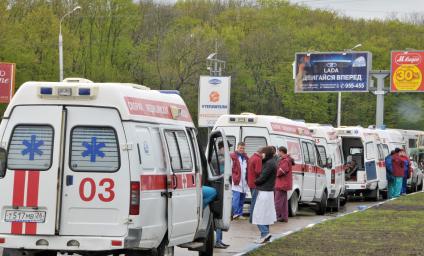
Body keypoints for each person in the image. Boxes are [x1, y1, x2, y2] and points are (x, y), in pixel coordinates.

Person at [252, 146, 277, 244]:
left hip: (264, 191)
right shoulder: (272, 162)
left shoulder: (269, 164)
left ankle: (265, 233)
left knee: (258, 214)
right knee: (265, 215)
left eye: (262, 153)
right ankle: (264, 236)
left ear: (266, 153)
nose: (261, 154)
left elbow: (263, 177)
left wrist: (255, 181)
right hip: (268, 192)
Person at [215, 141, 230, 249]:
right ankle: (217, 240)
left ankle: (220, 240)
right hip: (218, 187)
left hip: (223, 187)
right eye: (227, 147)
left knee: (223, 214)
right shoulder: (216, 156)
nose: (228, 150)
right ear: (221, 147)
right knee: (219, 214)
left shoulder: (223, 156)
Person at [274, 146, 294, 222]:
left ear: (282, 152)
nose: (277, 153)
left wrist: (275, 173)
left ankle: (275, 216)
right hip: (284, 183)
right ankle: (284, 216)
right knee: (284, 201)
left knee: (277, 201)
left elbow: (282, 171)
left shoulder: (285, 160)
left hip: (282, 183)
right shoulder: (287, 159)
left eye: (278, 151)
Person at [230, 142, 249, 220]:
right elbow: (230, 169)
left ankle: (240, 214)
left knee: (242, 199)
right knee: (236, 199)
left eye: (243, 148)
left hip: (244, 181)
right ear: (237, 148)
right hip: (236, 181)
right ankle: (234, 213)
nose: (242, 149)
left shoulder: (245, 157)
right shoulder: (233, 156)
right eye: (241, 148)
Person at [247, 148, 263, 223]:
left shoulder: (251, 157)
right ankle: (252, 218)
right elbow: (258, 171)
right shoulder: (258, 159)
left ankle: (251, 218)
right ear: (261, 153)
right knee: (255, 201)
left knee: (253, 200)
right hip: (256, 183)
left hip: (250, 182)